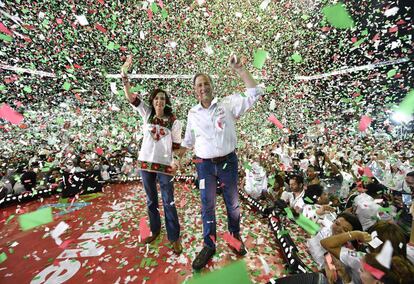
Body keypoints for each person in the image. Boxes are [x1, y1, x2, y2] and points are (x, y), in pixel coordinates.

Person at [177, 54, 263, 270]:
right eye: (199, 85)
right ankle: (209, 244)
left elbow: (254, 93)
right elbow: (188, 142)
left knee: (232, 204)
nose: (203, 87)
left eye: (206, 83)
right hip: (204, 166)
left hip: (228, 163)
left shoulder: (227, 104)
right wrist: (173, 158)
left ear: (212, 86)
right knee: (207, 206)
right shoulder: (192, 113)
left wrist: (241, 70)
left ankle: (234, 237)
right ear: (195, 91)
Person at [121, 55, 182, 254]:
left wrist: (177, 162)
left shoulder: (174, 121)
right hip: (145, 164)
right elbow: (130, 97)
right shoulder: (146, 112)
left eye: (162, 99)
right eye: (156, 98)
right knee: (151, 200)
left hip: (164, 166)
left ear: (166, 102)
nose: (159, 101)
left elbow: (176, 146)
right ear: (152, 100)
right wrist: (125, 78)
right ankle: (155, 229)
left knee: (169, 201)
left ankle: (174, 237)